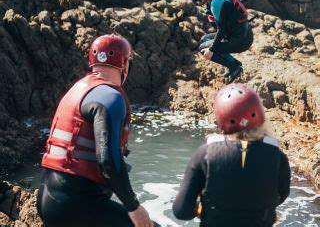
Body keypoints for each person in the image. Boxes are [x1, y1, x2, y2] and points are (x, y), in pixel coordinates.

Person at [37, 34, 155, 227]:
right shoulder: (110, 97)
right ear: (125, 65)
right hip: (75, 204)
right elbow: (108, 161)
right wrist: (134, 207)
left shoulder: (79, 89)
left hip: (49, 198)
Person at [172, 83, 291, 227]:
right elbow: (281, 195)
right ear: (260, 115)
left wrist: (201, 207)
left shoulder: (205, 154)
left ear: (221, 119)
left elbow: (181, 211)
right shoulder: (277, 157)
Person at [190, 0, 254, 83]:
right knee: (204, 39)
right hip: (242, 34)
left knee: (203, 49)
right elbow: (222, 27)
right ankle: (232, 64)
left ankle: (234, 66)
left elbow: (221, 30)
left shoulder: (216, 2)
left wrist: (211, 50)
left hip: (241, 40)